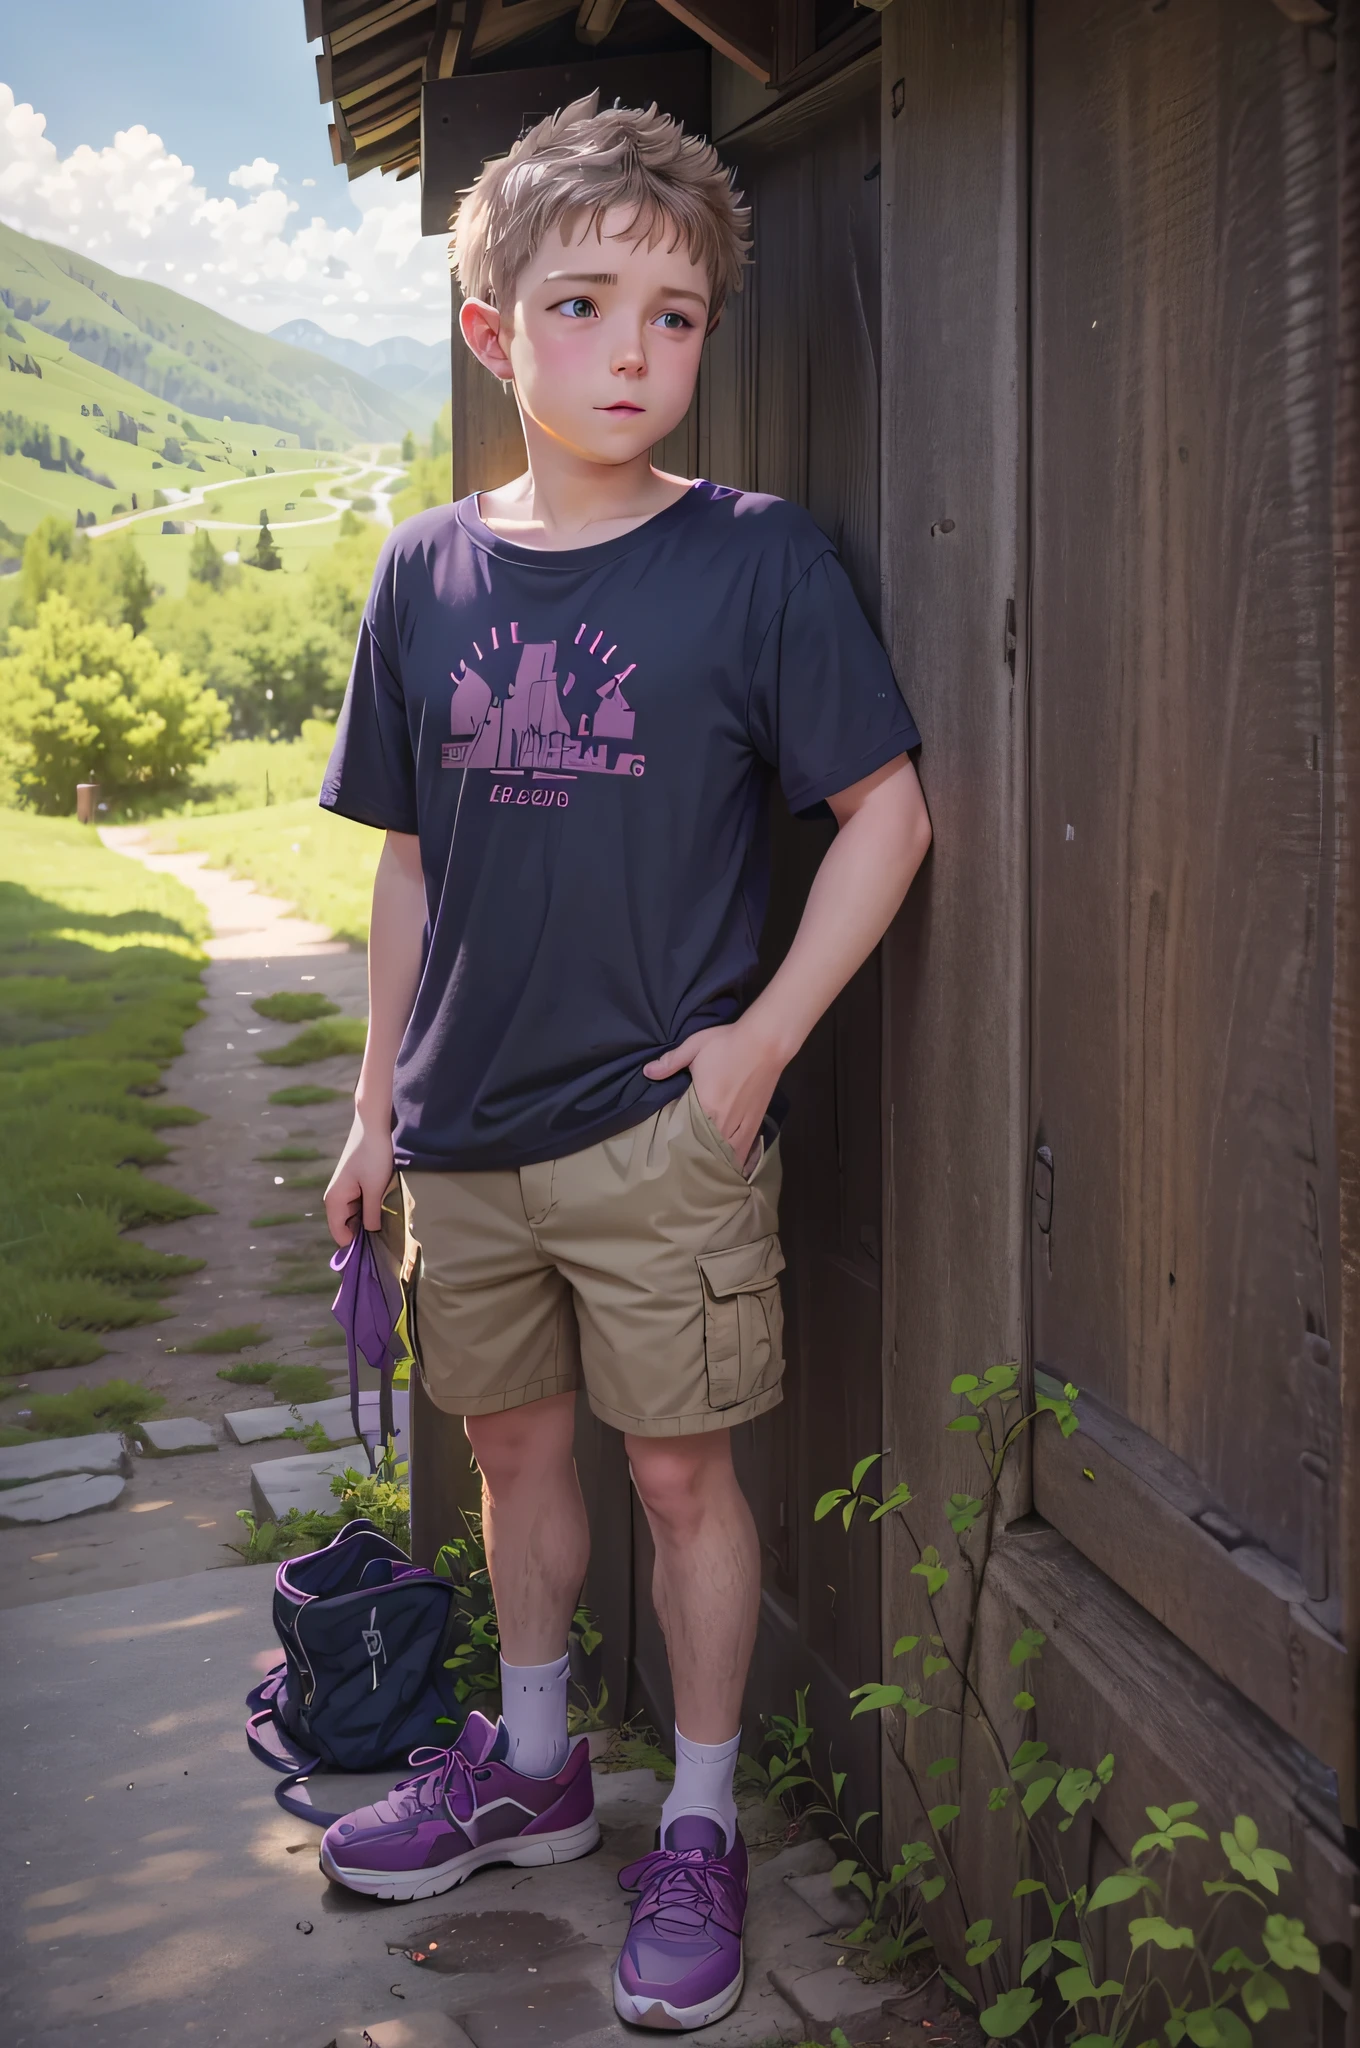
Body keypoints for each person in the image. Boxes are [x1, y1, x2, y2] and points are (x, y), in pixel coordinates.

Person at [317, 93, 931, 2033]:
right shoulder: (422, 574)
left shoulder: (754, 564)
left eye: (672, 320)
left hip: (661, 1132)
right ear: (496, 332)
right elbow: (412, 864)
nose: (631, 354)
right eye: (582, 306)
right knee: (508, 1456)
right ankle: (527, 1761)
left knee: (676, 1477)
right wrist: (366, 1109)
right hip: (463, 1129)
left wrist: (754, 1046)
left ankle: (699, 1816)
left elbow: (888, 812)